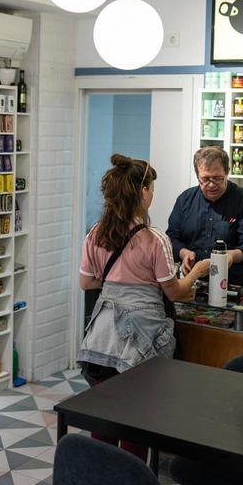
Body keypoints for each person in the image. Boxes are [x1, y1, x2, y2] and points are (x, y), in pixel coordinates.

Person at [78, 155, 210, 457]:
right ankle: (131, 479)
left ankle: (100, 476)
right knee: (136, 418)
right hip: (143, 336)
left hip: (103, 336)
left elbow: (86, 283)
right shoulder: (154, 239)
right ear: (143, 191)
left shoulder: (95, 233)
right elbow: (174, 292)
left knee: (104, 413)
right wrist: (197, 273)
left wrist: (117, 282)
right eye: (152, 188)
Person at [166, 146, 243, 288]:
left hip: (233, 283)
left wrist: (230, 256)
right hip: (193, 283)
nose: (211, 185)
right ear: (197, 175)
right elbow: (172, 237)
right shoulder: (185, 200)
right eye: (205, 179)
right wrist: (184, 253)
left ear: (227, 172)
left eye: (217, 178)